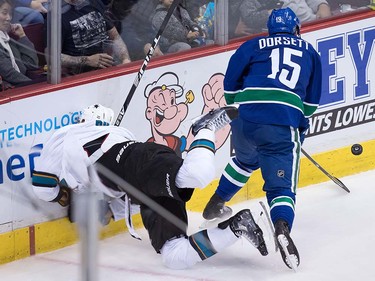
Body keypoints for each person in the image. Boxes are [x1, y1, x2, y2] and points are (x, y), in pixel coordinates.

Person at [31, 103, 269, 269]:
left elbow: (42, 186)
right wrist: (110, 210)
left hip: (136, 160)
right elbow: (128, 195)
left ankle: (203, 128)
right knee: (174, 256)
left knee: (197, 174)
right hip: (141, 187)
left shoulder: (68, 134)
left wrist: (64, 198)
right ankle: (237, 226)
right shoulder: (115, 133)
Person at [202, 8, 322, 271]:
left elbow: (231, 84)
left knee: (245, 161)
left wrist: (242, 109)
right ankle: (281, 226)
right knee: (280, 188)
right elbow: (311, 104)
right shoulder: (310, 52)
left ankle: (217, 202)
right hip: (281, 123)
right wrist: (295, 121)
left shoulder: (252, 44)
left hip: (245, 118)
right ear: (296, 29)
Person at [57, 0, 131, 76]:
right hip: (76, 77)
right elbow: (53, 57)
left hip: (106, 71)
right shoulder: (57, 15)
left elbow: (115, 38)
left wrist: (125, 59)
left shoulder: (94, 3)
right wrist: (88, 60)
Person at [0, 0, 39, 91]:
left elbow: (32, 64)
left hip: (22, 88)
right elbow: (9, 74)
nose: (8, 18)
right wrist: (35, 87)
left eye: (10, 14)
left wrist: (22, 36)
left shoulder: (8, 40)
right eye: (4, 13)